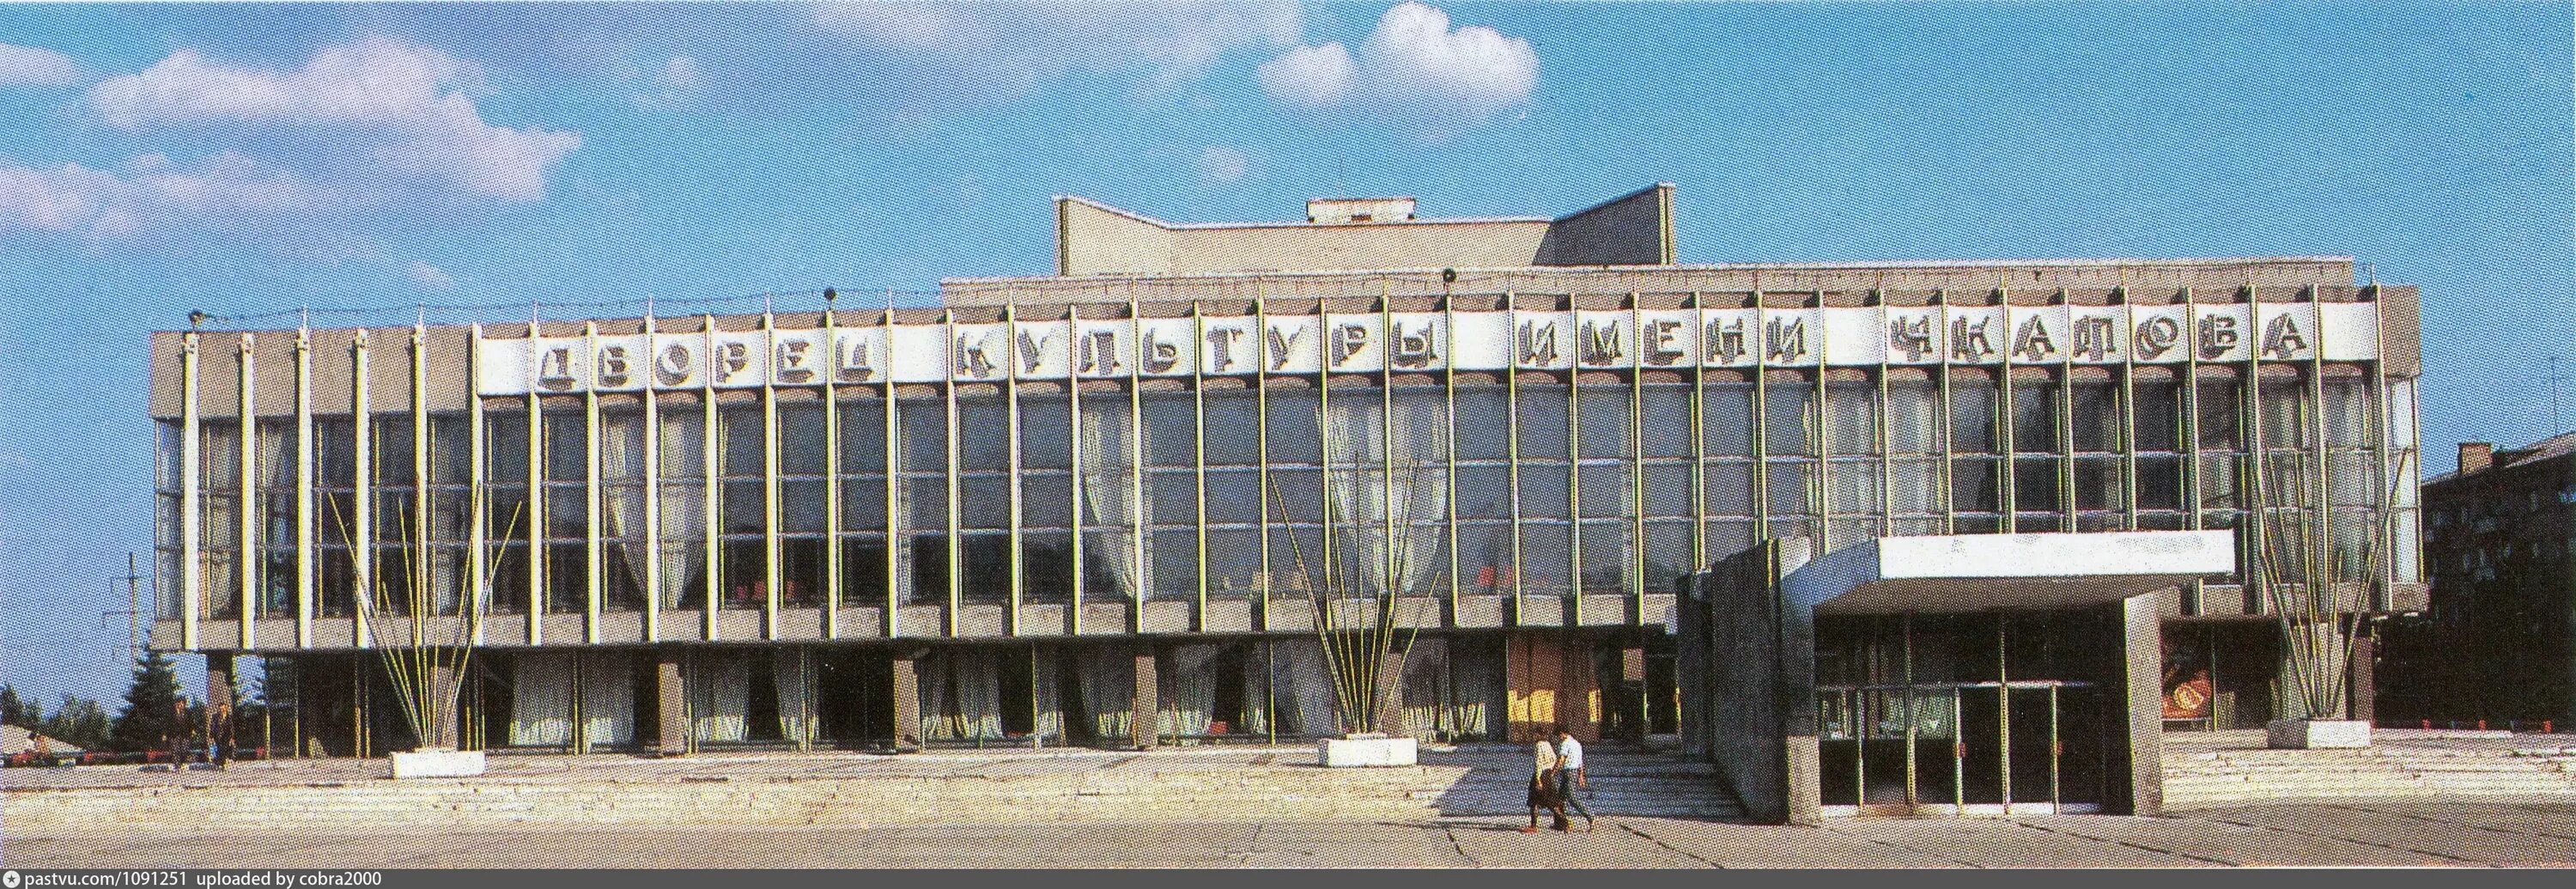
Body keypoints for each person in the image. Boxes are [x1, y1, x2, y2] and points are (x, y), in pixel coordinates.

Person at [1519, 737, 1567, 833]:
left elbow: (1538, 764)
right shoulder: (1547, 744)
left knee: (1534, 801)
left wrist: (1538, 779)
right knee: (1551, 802)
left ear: (1537, 734)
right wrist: (1551, 771)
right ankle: (1565, 822)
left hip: (1541, 775)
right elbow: (1554, 758)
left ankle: (1533, 826)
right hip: (1548, 774)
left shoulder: (1539, 745)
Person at [1554, 725, 1595, 832]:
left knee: (1572, 798)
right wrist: (1581, 775)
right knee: (1560, 799)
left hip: (1568, 772)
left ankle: (1590, 816)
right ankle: (1563, 823)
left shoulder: (1565, 743)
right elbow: (1580, 761)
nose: (1559, 738)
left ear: (1563, 733)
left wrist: (1554, 772)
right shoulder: (1577, 744)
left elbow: (1561, 759)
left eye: (1559, 735)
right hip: (1574, 772)